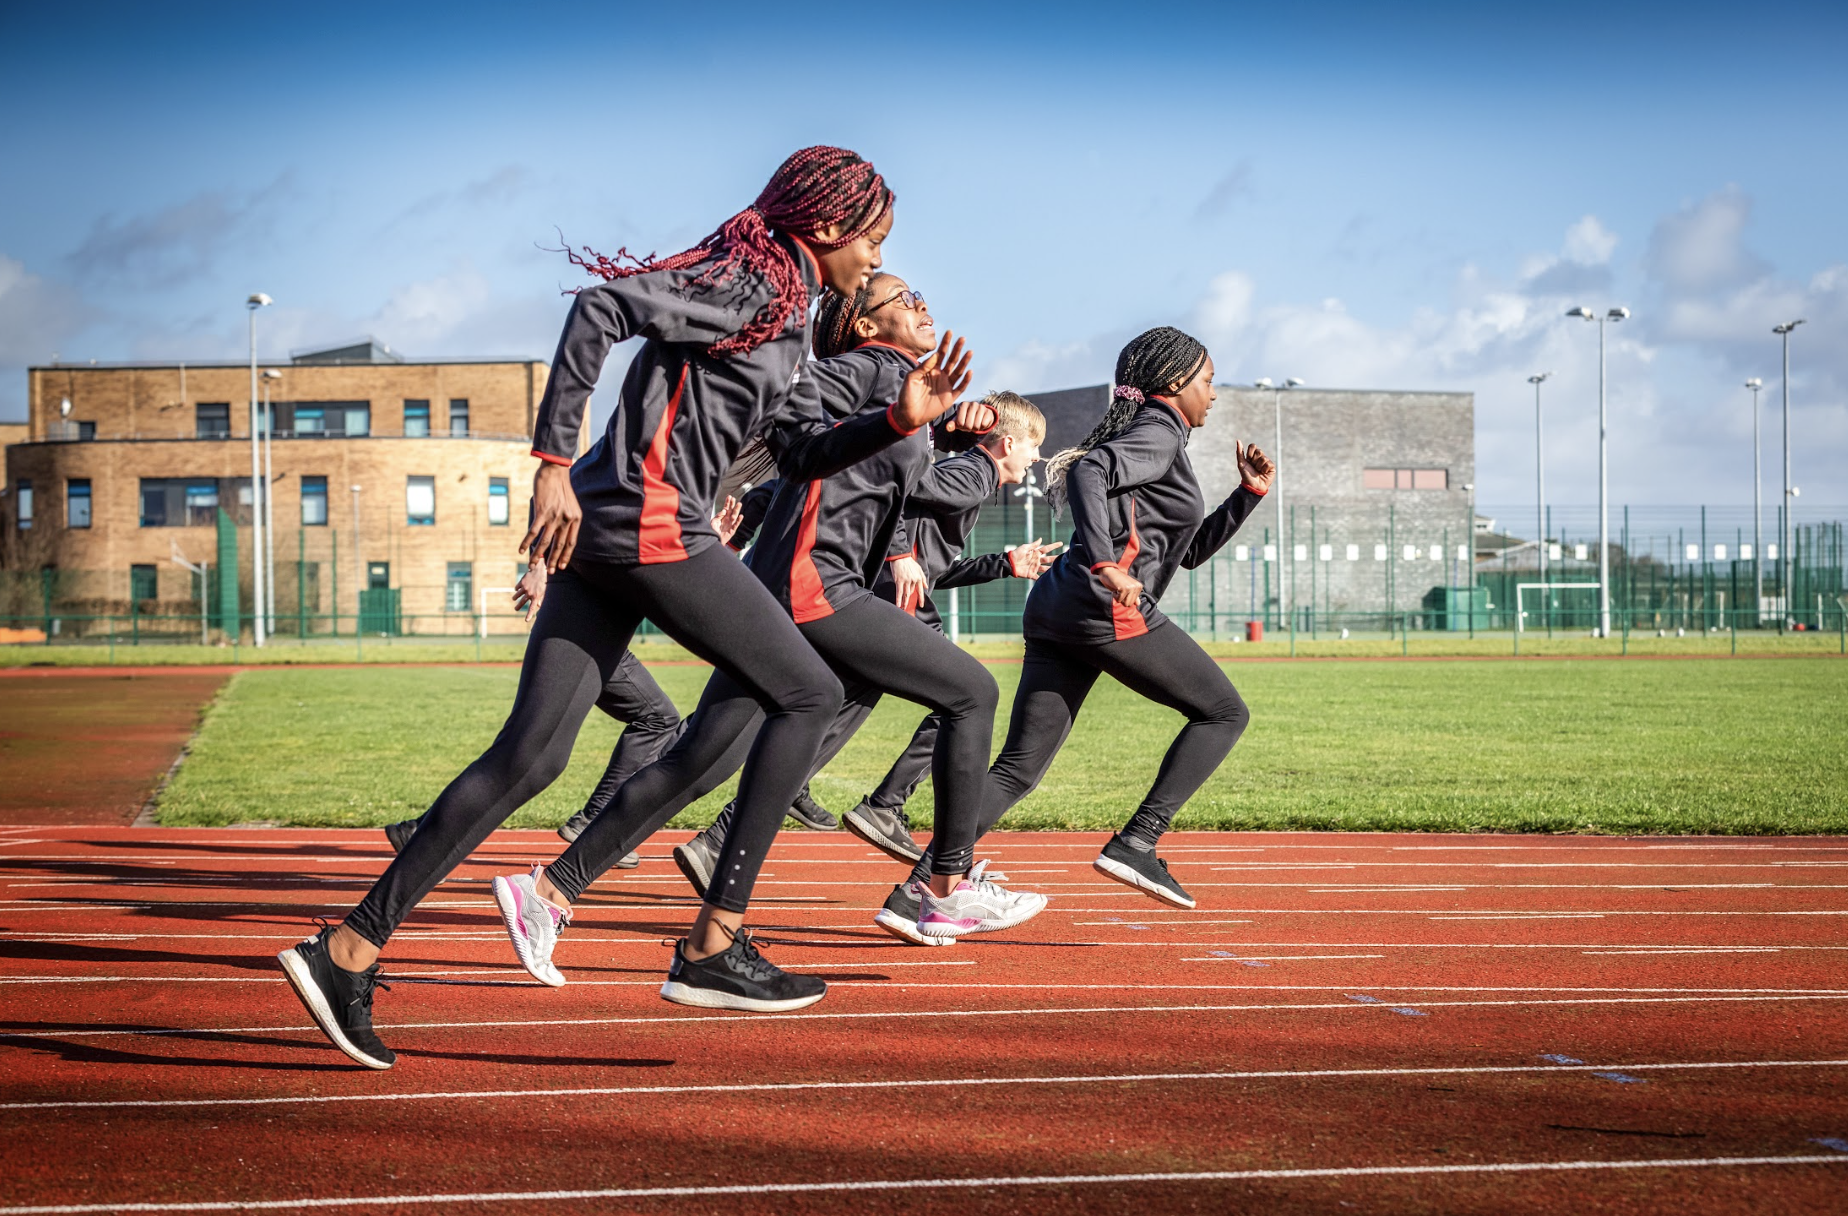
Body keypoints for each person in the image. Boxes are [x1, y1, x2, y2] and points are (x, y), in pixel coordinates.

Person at [278, 146, 987, 1070]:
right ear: (825, 226)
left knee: (531, 758)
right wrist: (548, 465)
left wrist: (896, 421)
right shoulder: (750, 282)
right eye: (873, 240)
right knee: (809, 693)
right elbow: (599, 307)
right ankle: (713, 946)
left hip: (614, 528)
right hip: (647, 520)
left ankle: (346, 950)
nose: (876, 259)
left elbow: (798, 455)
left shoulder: (780, 313)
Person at [488, 271, 1044, 992]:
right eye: (903, 298)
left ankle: (548, 890)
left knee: (699, 761)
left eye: (920, 295)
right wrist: (964, 457)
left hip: (783, 589)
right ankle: (943, 885)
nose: (921, 303)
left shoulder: (895, 387)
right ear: (865, 325)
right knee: (971, 691)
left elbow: (884, 465)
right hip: (816, 588)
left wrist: (944, 428)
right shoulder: (866, 369)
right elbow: (805, 419)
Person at [897, 326, 1274, 916]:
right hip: (1102, 606)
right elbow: (1087, 471)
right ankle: (1138, 842)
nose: (1214, 393)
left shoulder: (1154, 436)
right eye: (1208, 379)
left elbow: (1189, 552)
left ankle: (919, 889)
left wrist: (1247, 494)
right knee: (1225, 713)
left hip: (1059, 606)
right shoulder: (1158, 431)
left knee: (1018, 768)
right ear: (1176, 382)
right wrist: (1105, 564)